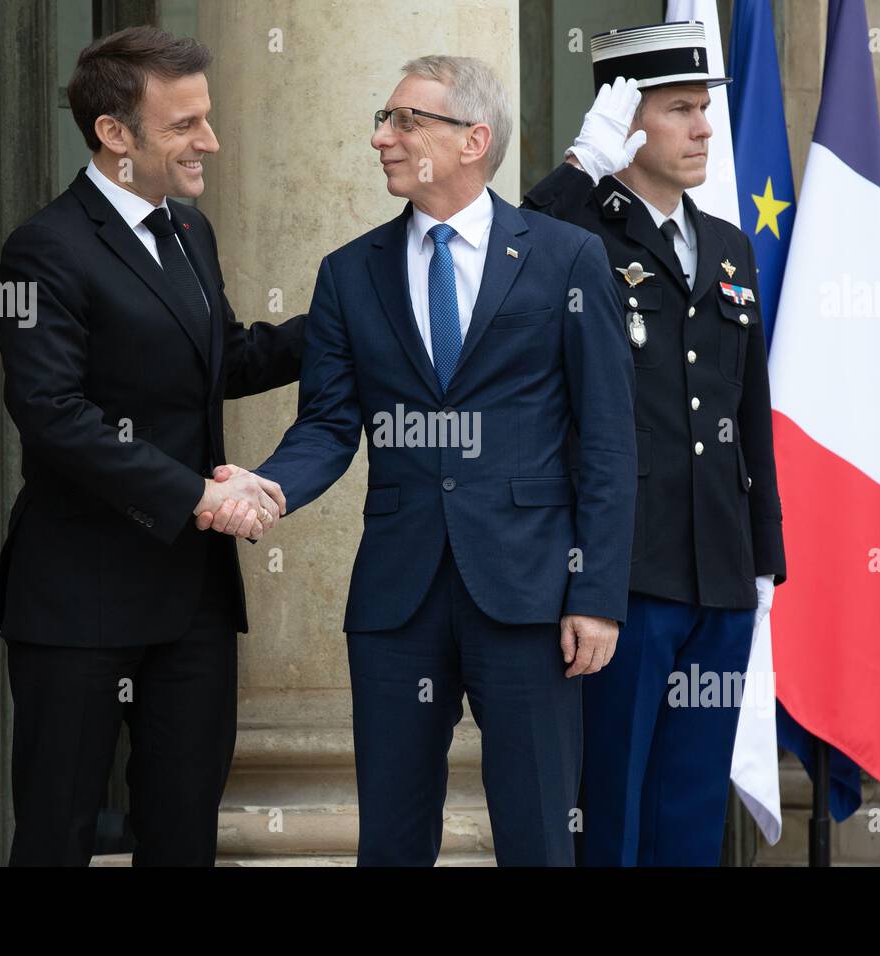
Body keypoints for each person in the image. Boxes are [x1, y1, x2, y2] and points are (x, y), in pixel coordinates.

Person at [245, 55, 636, 866]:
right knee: (390, 838)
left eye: (404, 121)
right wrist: (268, 486)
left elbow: (606, 439)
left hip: (532, 594)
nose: (382, 139)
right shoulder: (350, 273)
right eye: (382, 122)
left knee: (537, 834)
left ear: (472, 140)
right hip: (398, 598)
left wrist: (596, 593)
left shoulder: (568, 259)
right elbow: (326, 426)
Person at [0, 25, 303, 866]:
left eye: (207, 118)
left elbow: (223, 360)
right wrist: (197, 495)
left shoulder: (189, 232)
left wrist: (345, 322)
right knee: (57, 836)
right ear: (114, 135)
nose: (211, 141)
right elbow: (52, 412)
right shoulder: (43, 249)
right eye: (184, 125)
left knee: (183, 836)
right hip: (79, 595)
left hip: (190, 600)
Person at [522, 20, 787, 866]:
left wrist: (764, 556)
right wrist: (578, 170)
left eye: (705, 107)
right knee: (613, 801)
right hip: (624, 573)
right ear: (628, 123)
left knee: (692, 800)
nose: (705, 126)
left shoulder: (727, 245)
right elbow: (508, 255)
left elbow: (751, 415)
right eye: (680, 109)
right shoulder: (574, 239)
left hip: (718, 566)